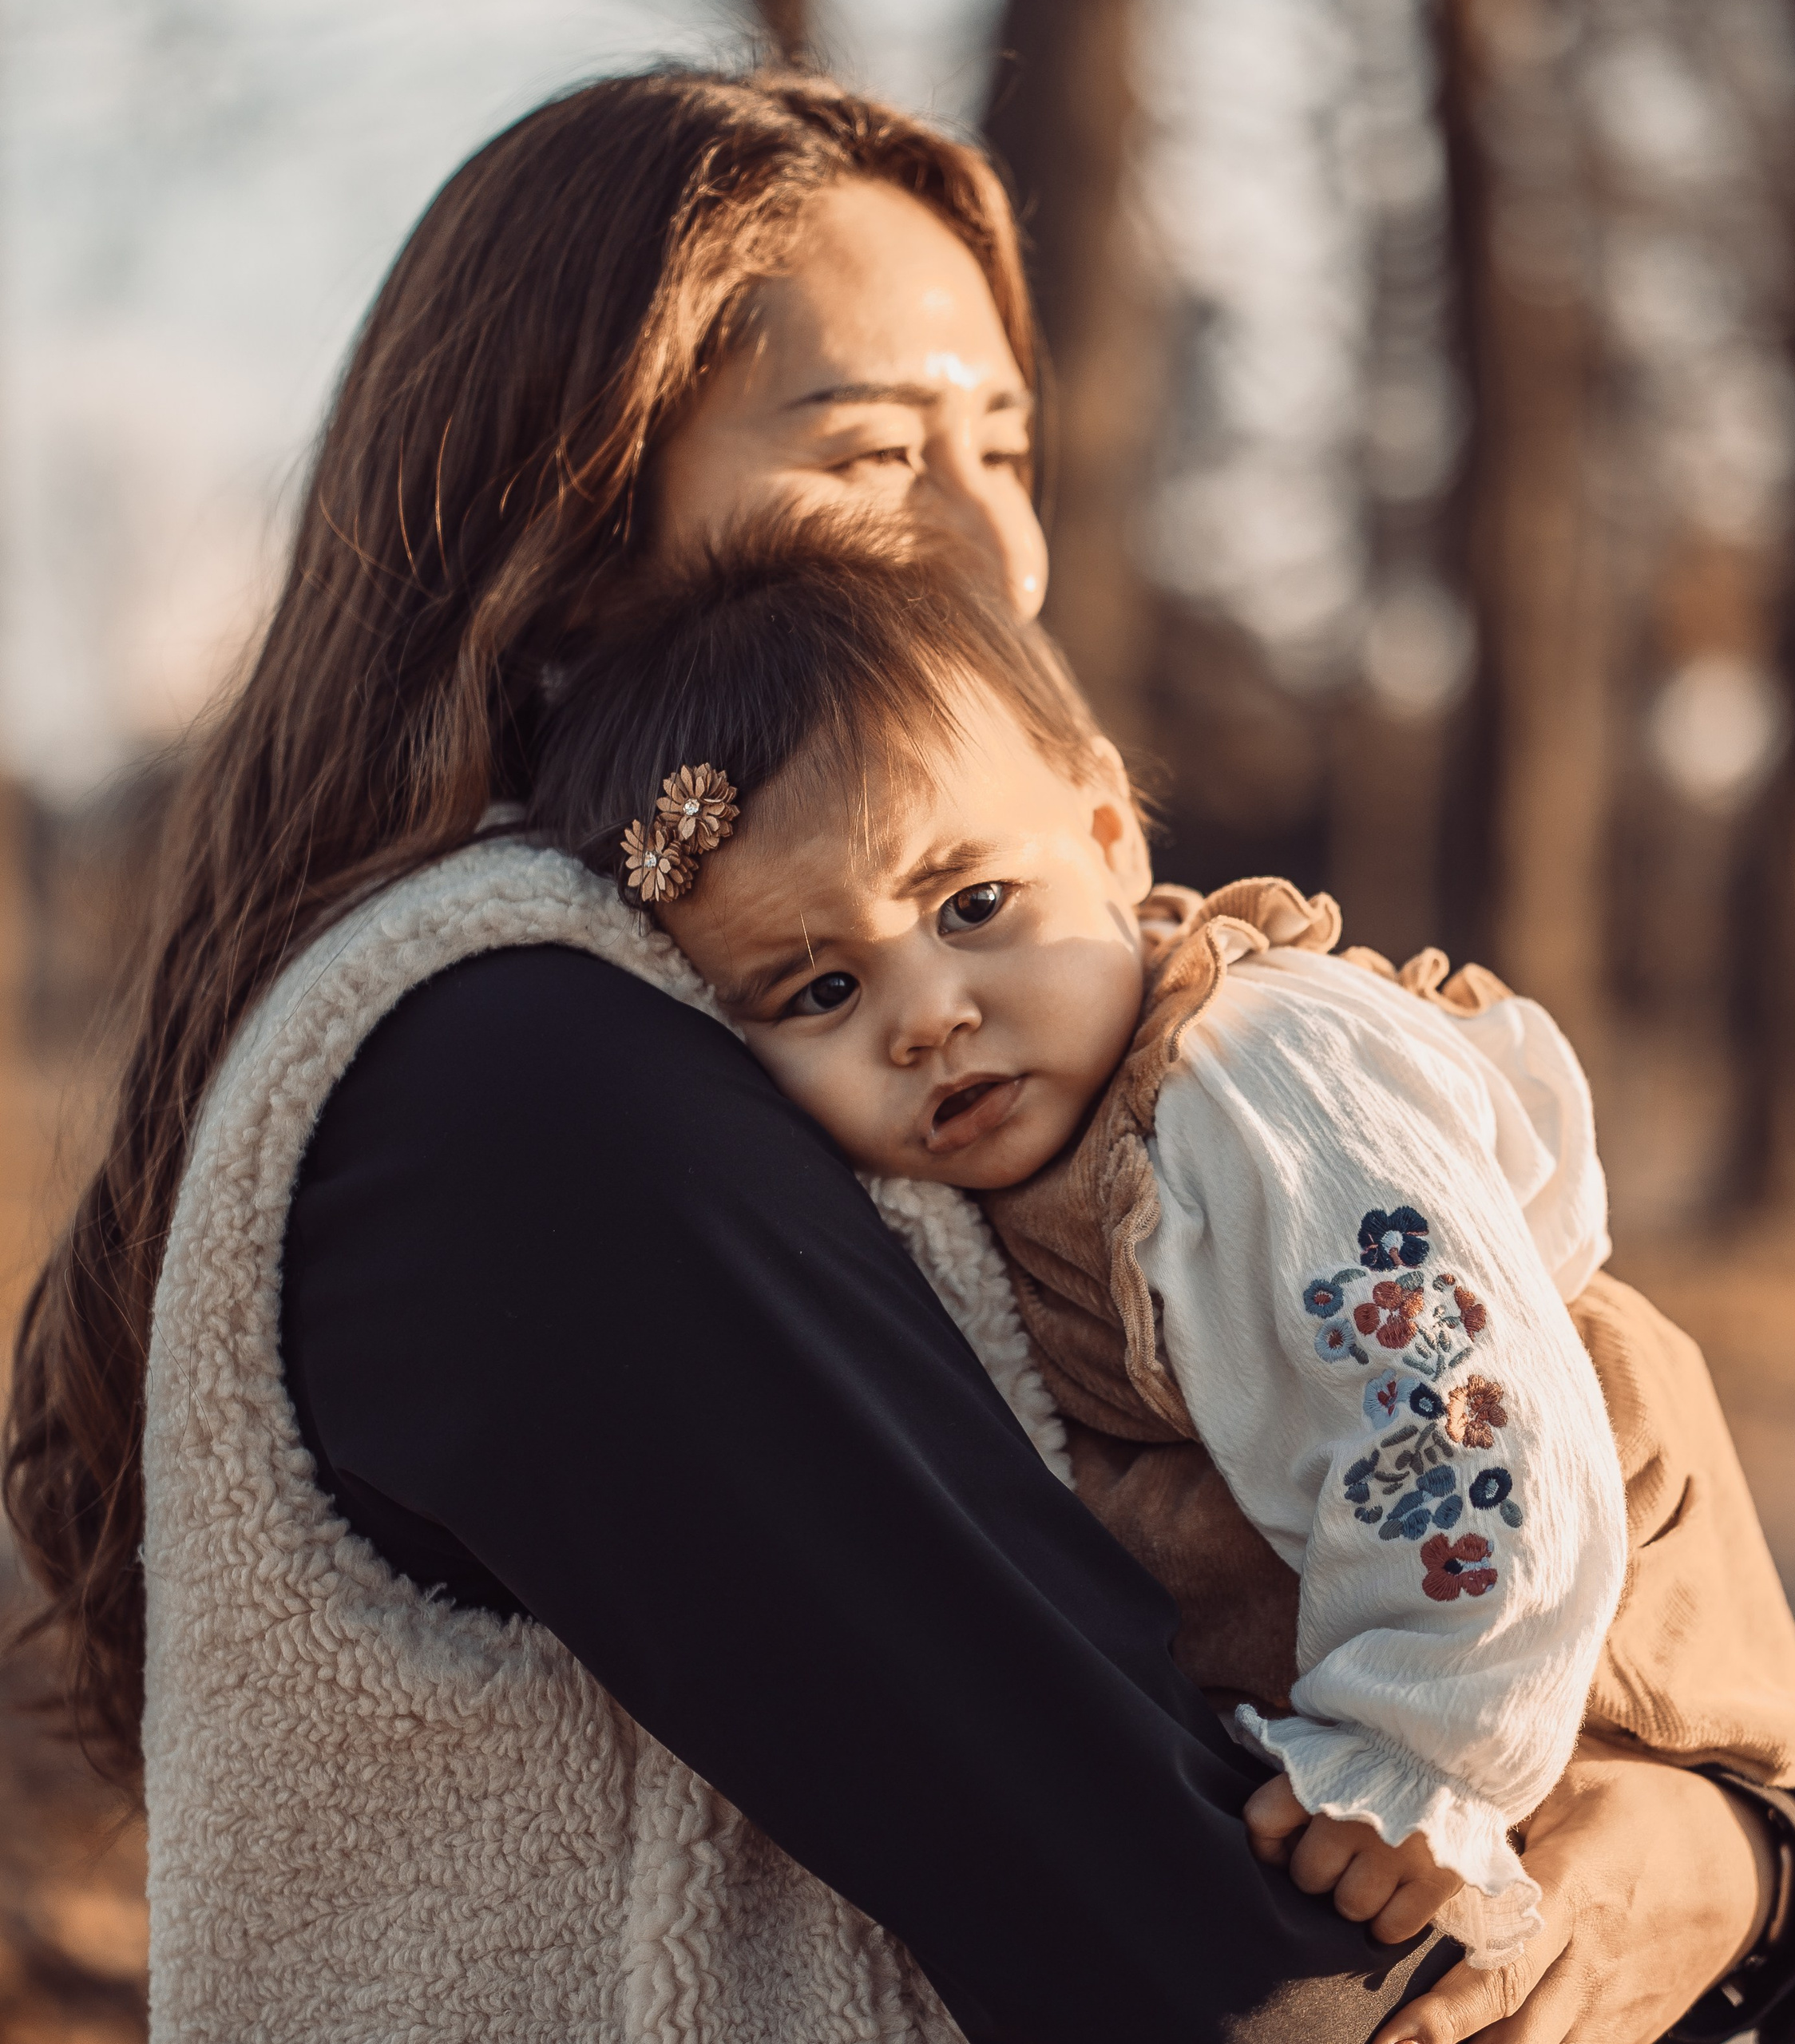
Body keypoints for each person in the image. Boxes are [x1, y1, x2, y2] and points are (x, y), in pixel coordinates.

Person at [0, 65, 1795, 2044]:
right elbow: (1232, 1971)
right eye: (876, 453)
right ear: (569, 505)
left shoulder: (865, 1039)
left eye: (1006, 444)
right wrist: (1715, 1859)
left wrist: (1725, 1852)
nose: (994, 554)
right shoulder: (519, 1079)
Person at [528, 529, 1631, 1983]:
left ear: (1111, 835)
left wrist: (1418, 1752)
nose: (925, 1015)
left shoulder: (1255, 1080)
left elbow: (1471, 1412)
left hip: (1531, 1657)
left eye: (972, 906)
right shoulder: (1019, 1153)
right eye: (822, 988)